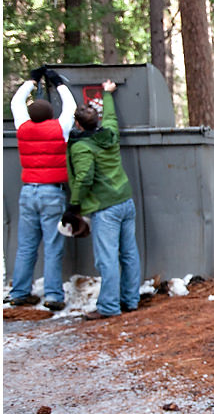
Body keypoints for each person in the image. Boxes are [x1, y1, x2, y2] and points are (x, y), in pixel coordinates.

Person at [63, 79, 141, 320]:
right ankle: (130, 300)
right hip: (125, 200)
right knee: (128, 254)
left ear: (77, 124)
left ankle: (108, 307)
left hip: (105, 207)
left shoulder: (82, 147)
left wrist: (74, 206)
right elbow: (111, 117)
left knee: (107, 258)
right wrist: (108, 94)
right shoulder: (109, 135)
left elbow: (84, 178)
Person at [5, 68, 77, 312]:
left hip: (28, 193)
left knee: (26, 245)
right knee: (53, 246)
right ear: (49, 115)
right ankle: (54, 295)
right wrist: (58, 83)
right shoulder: (60, 129)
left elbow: (16, 102)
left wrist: (31, 81)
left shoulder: (23, 128)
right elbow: (70, 105)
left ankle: (19, 293)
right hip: (51, 194)